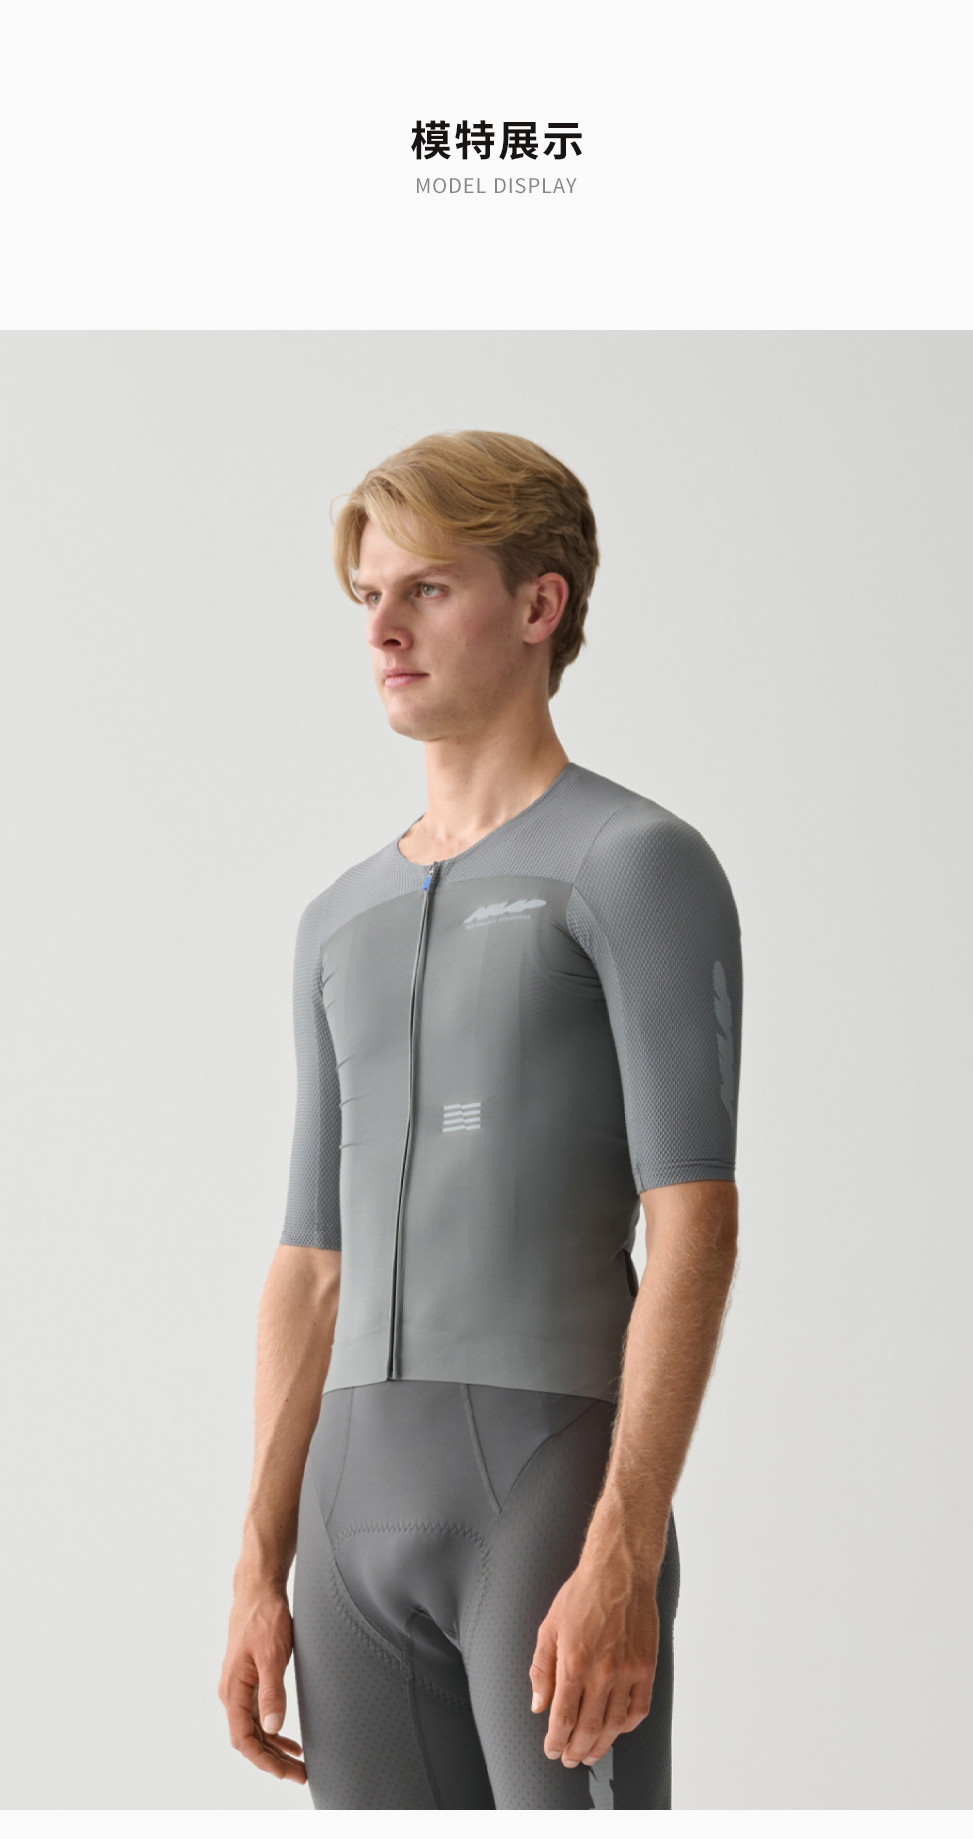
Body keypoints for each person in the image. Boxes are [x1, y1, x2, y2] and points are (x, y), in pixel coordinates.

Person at [218, 430, 742, 1809]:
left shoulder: (633, 864)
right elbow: (309, 1264)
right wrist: (258, 1564)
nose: (381, 630)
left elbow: (693, 1218)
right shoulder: (337, 918)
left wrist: (623, 1545)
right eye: (368, 597)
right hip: (344, 1523)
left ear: (537, 604)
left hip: (550, 1495)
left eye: (428, 589)